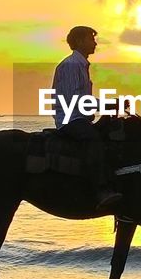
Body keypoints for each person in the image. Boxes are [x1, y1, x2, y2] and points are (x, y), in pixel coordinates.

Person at [52, 25, 123, 211]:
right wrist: (109, 105)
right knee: (94, 140)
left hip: (79, 117)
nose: (95, 43)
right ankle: (101, 190)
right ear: (80, 41)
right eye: (91, 39)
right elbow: (75, 100)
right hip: (70, 119)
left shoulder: (81, 65)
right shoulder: (71, 65)